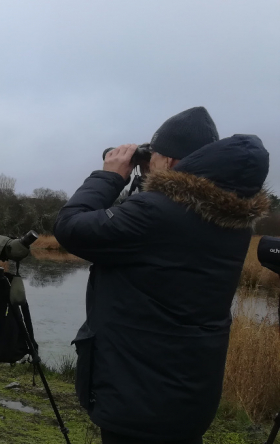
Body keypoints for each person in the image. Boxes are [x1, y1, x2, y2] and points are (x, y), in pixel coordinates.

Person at [53, 107, 271, 444]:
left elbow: (70, 228)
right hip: (185, 394)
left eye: (152, 156)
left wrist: (108, 176)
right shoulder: (231, 220)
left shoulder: (157, 213)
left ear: (169, 163)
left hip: (139, 397)